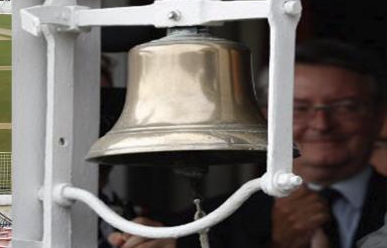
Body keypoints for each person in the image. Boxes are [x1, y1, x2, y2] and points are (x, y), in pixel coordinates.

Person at [108, 39, 387, 248]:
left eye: (346, 107)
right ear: (265, 117)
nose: (322, 125)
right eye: (298, 108)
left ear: (379, 117)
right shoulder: (203, 223)